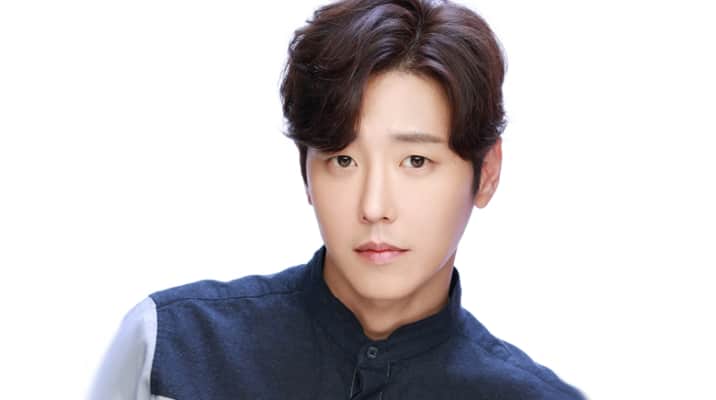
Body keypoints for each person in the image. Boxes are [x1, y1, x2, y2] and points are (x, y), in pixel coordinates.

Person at [89, 0, 585, 398]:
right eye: (343, 160)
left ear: (487, 173)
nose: (374, 206)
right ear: (305, 172)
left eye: (415, 161)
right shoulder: (168, 348)